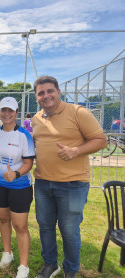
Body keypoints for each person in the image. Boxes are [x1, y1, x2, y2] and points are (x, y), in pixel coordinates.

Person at [32, 76, 107, 278]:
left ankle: (70, 270)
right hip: (42, 183)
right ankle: (50, 264)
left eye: (49, 91)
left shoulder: (78, 112)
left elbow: (101, 140)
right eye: (41, 93)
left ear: (58, 92)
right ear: (36, 97)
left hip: (72, 184)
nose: (46, 96)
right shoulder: (36, 119)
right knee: (45, 226)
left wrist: (75, 150)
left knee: (69, 231)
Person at [0, 97, 35, 278]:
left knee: (20, 226)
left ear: (16, 113)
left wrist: (15, 174)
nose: (6, 113)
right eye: (3, 110)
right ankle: (7, 253)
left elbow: (29, 162)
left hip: (19, 186)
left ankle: (24, 266)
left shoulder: (24, 135)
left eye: (10, 110)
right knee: (4, 220)